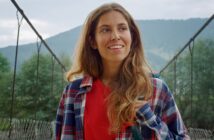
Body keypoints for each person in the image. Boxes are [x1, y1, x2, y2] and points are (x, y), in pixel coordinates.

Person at [55, 2, 190, 140]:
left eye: (122, 28)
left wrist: (149, 117)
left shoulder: (156, 89)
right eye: (105, 30)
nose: (115, 36)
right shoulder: (72, 93)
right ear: (92, 41)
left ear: (132, 37)